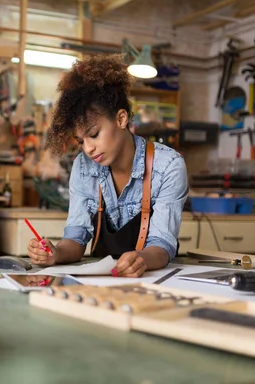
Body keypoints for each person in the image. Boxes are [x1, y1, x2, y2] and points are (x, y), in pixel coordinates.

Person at [27, 54, 188, 278]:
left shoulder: (168, 166)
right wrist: (56, 253)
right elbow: (76, 238)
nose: (88, 149)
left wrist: (141, 259)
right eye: (81, 141)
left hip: (152, 280)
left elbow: (162, 245)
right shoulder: (83, 167)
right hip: (101, 281)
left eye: (94, 134)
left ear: (121, 119)